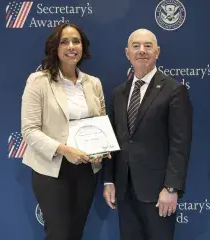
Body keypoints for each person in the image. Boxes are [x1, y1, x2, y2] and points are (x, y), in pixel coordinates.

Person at [102, 28, 193, 240]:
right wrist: (108, 181)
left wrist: (171, 188)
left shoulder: (174, 90)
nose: (142, 51)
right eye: (136, 46)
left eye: (148, 46)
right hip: (124, 191)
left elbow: (181, 143)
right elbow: (112, 140)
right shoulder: (118, 93)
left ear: (158, 52)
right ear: (127, 53)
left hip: (158, 193)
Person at [21, 23, 106, 240]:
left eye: (76, 41)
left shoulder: (93, 83)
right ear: (55, 48)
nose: (71, 46)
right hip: (51, 170)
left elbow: (101, 125)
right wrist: (64, 149)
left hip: (86, 170)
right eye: (64, 41)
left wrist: (102, 148)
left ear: (83, 47)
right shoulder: (38, 81)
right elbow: (29, 130)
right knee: (58, 234)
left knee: (76, 233)